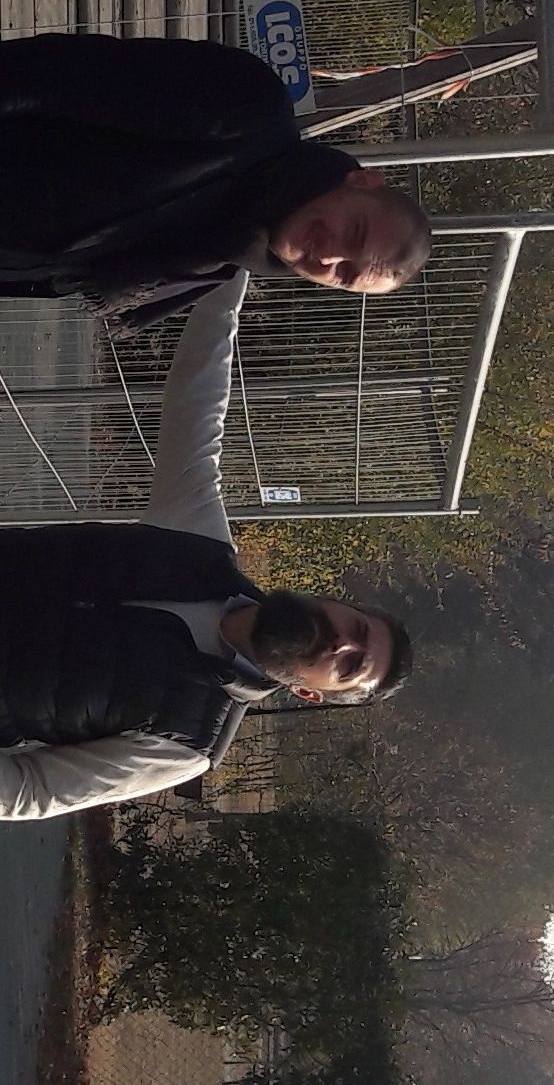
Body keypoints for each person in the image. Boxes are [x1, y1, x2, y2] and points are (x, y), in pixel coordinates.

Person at [0, 273, 412, 820]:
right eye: (355, 630)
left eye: (350, 665)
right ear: (335, 602)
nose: (340, 644)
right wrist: (236, 261)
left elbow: (31, 791)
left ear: (311, 694)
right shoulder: (197, 546)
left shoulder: (186, 744)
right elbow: (197, 402)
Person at [0, 30, 432, 331]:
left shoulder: (214, 263)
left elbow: (49, 274)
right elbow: (58, 73)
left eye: (345, 273)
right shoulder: (251, 107)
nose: (330, 256)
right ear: (362, 182)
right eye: (354, 233)